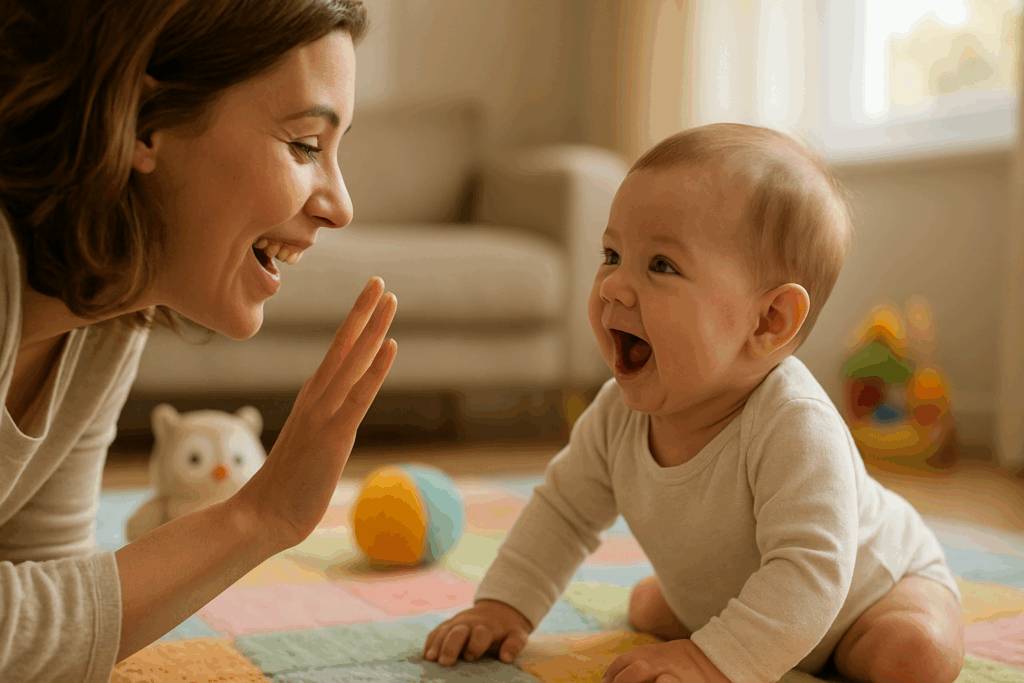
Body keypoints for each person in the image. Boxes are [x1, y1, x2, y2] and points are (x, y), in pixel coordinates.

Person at [422, 124, 965, 683]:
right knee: (650, 612)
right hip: (746, 602)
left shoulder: (794, 423)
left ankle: (743, 636)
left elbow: (812, 572)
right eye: (612, 254)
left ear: (768, 322)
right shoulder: (616, 413)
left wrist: (709, 660)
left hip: (867, 598)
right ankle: (720, 623)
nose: (613, 286)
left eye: (661, 265)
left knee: (913, 655)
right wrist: (504, 605)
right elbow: (563, 513)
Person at [0, 2, 397, 680]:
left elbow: (42, 603)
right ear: (143, 123)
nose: (339, 203)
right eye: (305, 144)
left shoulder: (104, 313)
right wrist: (256, 516)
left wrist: (264, 515)